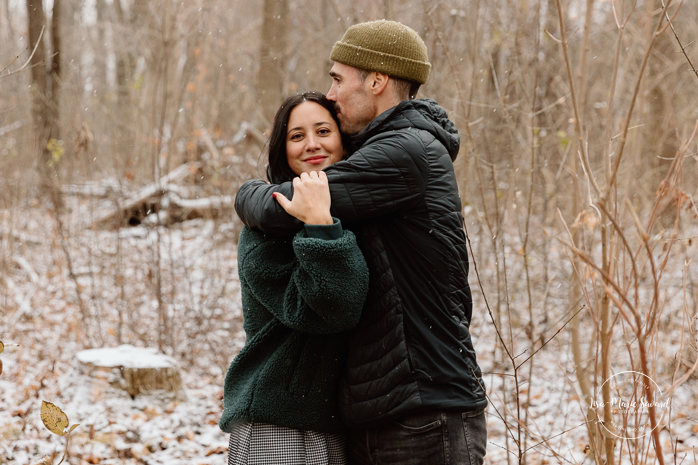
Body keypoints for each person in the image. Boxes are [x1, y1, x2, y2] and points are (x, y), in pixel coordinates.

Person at [235, 20, 487, 465]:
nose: (330, 93)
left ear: (376, 80)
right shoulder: (382, 148)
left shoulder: (407, 151)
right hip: (385, 409)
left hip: (424, 407)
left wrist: (245, 194)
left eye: (337, 78)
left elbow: (288, 203)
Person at [219, 91, 369, 465]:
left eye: (323, 130)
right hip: (279, 423)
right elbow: (332, 308)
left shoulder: (356, 216)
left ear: (343, 138)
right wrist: (317, 221)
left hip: (333, 423)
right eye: (297, 136)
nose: (312, 144)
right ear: (281, 149)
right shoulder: (263, 232)